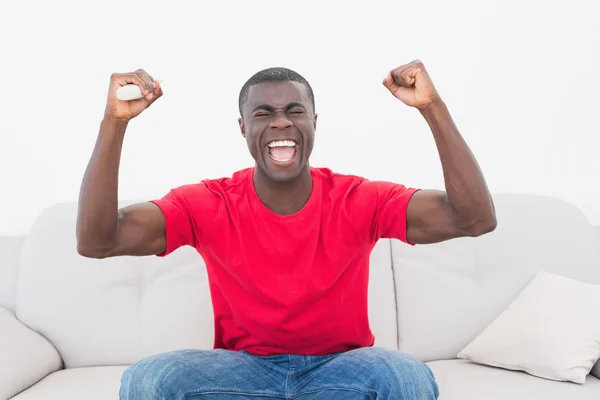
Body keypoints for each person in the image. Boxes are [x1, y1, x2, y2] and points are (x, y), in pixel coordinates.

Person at [76, 60, 496, 399]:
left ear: (313, 121)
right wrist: (115, 122)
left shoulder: (360, 198)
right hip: (242, 374)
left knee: (405, 375)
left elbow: (474, 219)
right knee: (148, 378)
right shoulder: (205, 202)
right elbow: (98, 242)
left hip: (341, 370)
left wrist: (432, 107)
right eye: (264, 114)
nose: (281, 122)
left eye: (294, 111)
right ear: (244, 128)